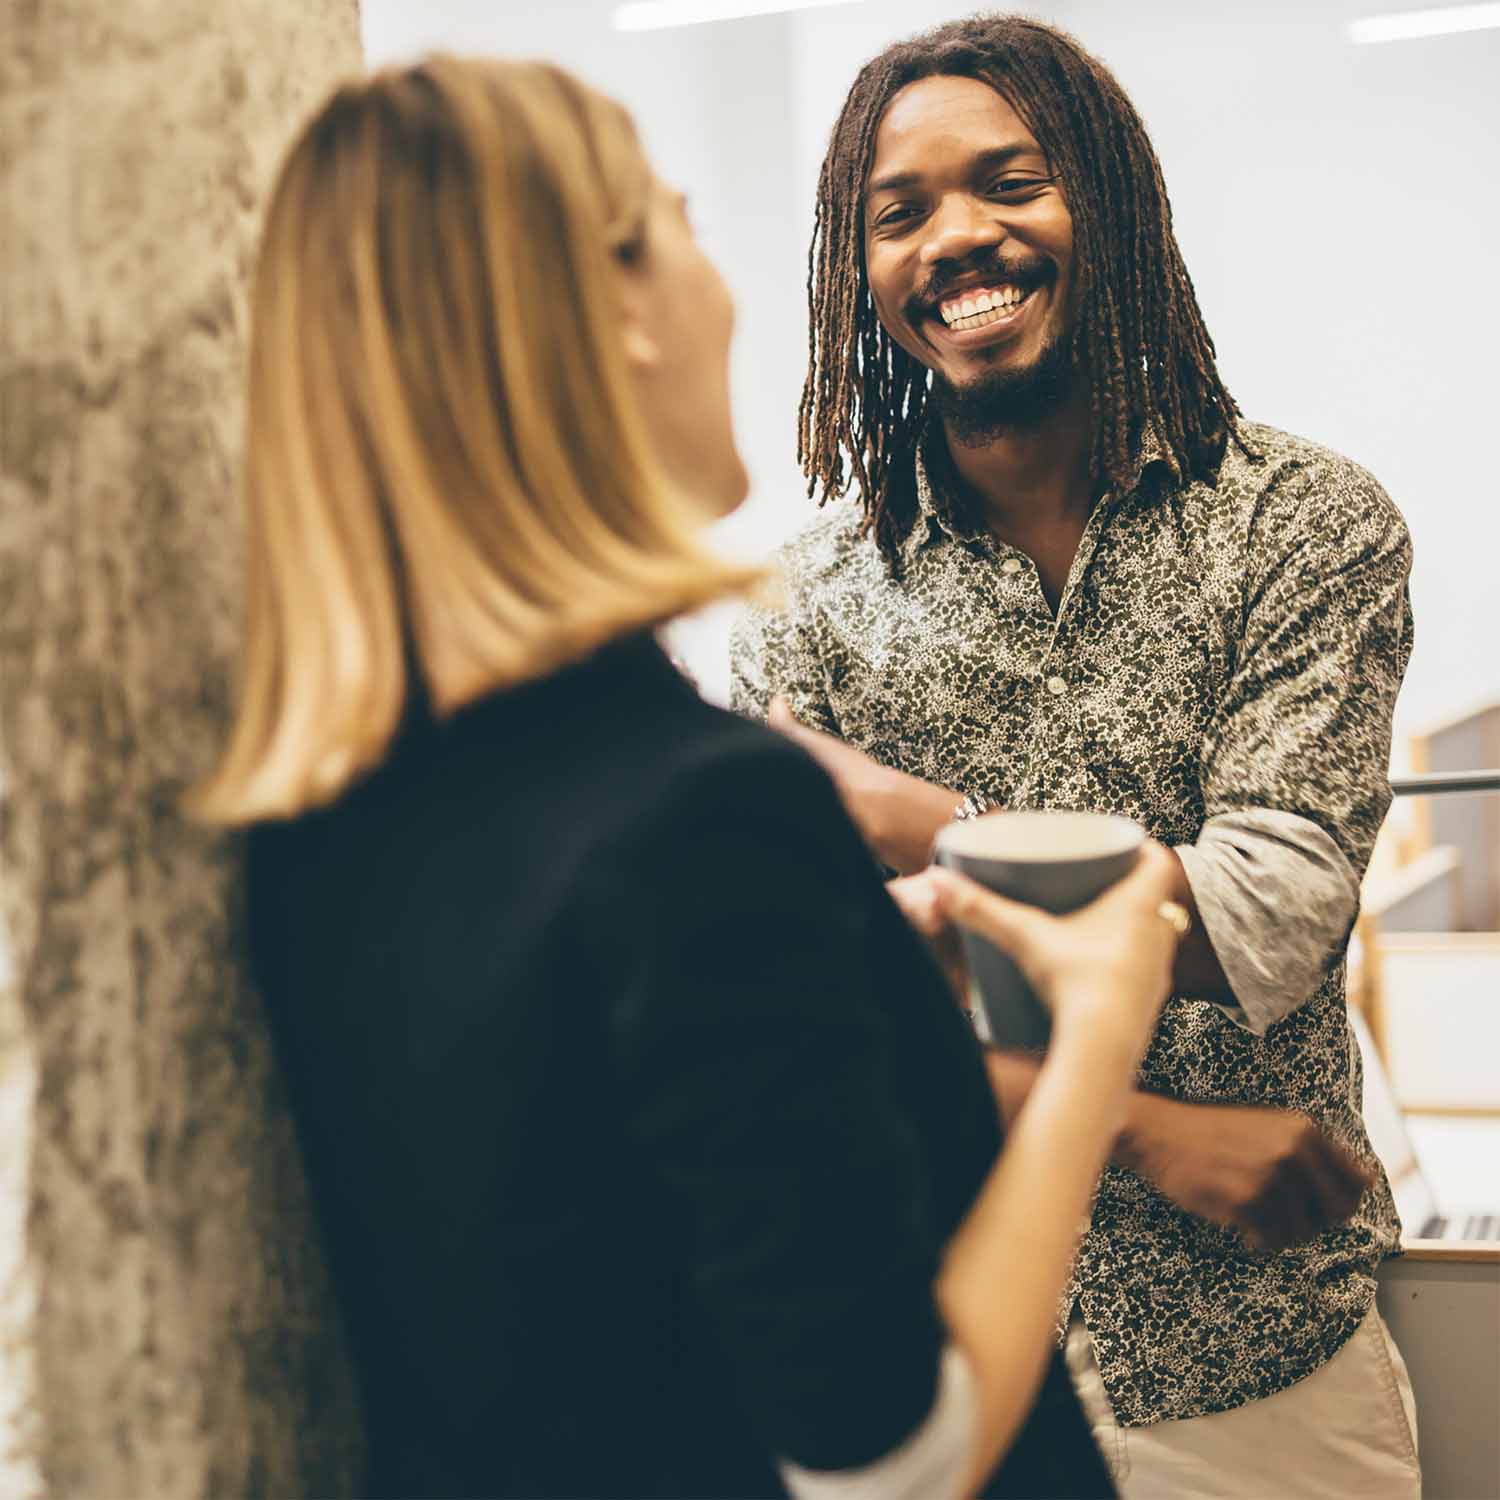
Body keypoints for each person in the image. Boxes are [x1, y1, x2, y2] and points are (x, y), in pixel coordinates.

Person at [190, 55, 1201, 1500]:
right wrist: (1100, 1038)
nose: (722, 291)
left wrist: (856, 984)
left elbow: (597, 1277)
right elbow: (891, 1463)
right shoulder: (703, 813)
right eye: (677, 227)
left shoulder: (320, 811)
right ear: (609, 312)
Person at [730, 15, 1421, 1500]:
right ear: (858, 275)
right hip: (956, 1367)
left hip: (1263, 1375)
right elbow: (819, 1012)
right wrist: (1143, 1122)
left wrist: (925, 826)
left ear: (1104, 206)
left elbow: (1271, 914)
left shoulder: (1302, 523)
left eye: (1011, 184)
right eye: (898, 214)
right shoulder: (805, 614)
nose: (958, 240)